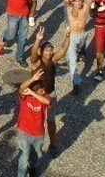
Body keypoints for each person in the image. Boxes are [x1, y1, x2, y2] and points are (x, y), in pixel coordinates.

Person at [29, 26, 70, 157]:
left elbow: (64, 49)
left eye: (51, 49)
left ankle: (53, 143)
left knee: (51, 121)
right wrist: (37, 40)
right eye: (46, 49)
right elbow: (33, 54)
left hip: (51, 94)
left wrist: (67, 36)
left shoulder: (53, 60)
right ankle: (34, 144)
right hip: (36, 95)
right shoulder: (36, 63)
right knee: (36, 121)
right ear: (42, 52)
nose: (49, 52)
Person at [15, 69, 50, 177]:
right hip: (24, 132)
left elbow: (48, 102)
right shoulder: (25, 97)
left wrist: (34, 94)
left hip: (38, 133)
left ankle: (32, 168)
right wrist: (32, 79)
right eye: (41, 91)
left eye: (43, 90)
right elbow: (21, 88)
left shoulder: (44, 97)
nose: (43, 92)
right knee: (23, 159)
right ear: (35, 90)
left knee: (35, 154)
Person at [63, 0, 92, 92]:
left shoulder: (85, 8)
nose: (79, 2)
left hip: (83, 35)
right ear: (72, 2)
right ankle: (75, 82)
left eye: (80, 0)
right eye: (76, 1)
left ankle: (68, 56)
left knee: (75, 54)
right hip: (72, 35)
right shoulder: (69, 9)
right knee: (73, 59)